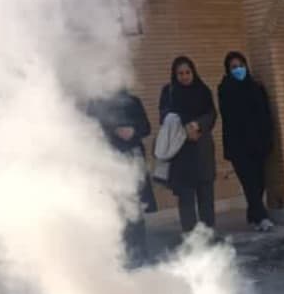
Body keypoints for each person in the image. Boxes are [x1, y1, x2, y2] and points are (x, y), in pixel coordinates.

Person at [88, 88, 155, 267]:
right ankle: (120, 254)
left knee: (136, 208)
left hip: (133, 160)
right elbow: (90, 130)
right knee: (115, 210)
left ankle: (140, 253)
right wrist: (114, 131)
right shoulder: (96, 103)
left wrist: (133, 130)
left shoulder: (133, 101)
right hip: (110, 161)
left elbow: (146, 127)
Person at [159, 56, 218, 234]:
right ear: (174, 75)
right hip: (181, 152)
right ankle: (190, 236)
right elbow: (164, 116)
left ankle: (208, 234)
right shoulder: (169, 92)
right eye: (180, 73)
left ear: (193, 72)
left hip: (202, 150)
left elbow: (211, 114)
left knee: (206, 196)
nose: (184, 76)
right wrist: (185, 127)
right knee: (186, 197)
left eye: (187, 72)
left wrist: (197, 125)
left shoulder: (203, 90)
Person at [217, 51, 275, 232]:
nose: (238, 70)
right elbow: (230, 116)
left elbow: (265, 113)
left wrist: (267, 136)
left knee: (259, 182)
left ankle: (253, 215)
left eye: (241, 66)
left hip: (258, 143)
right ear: (228, 70)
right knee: (249, 183)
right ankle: (262, 217)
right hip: (239, 146)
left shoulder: (256, 87)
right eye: (234, 67)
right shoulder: (225, 89)